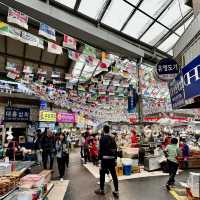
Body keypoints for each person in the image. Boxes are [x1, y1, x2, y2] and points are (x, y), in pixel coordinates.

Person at [95, 125, 119, 198]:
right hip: (112, 159)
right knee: (114, 175)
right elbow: (115, 149)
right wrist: (115, 159)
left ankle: (102, 190)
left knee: (102, 174)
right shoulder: (112, 138)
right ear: (109, 130)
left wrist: (99, 159)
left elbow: (100, 150)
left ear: (103, 130)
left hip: (104, 159)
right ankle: (116, 191)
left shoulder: (102, 138)